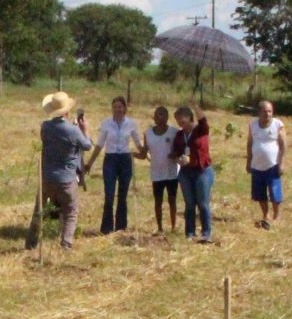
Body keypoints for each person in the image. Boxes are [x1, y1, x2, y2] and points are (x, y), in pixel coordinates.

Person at [39, 92, 92, 249]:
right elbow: (87, 145)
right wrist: (84, 130)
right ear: (67, 112)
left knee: (40, 210)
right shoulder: (72, 131)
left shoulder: (45, 127)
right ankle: (66, 244)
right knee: (71, 212)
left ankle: (32, 241)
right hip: (67, 178)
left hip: (47, 176)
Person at [83, 96, 139, 235]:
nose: (117, 109)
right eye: (115, 107)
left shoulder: (131, 124)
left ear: (125, 108)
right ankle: (107, 228)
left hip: (125, 160)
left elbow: (138, 143)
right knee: (109, 194)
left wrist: (147, 154)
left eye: (120, 107)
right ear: (112, 108)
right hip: (110, 160)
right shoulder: (106, 124)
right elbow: (100, 144)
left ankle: (121, 227)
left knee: (122, 195)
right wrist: (90, 162)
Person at [171, 105, 215, 242]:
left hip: (202, 171)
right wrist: (178, 159)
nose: (180, 125)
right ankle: (190, 232)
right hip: (185, 172)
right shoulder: (179, 135)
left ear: (190, 118)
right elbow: (176, 152)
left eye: (182, 121)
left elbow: (202, 119)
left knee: (202, 203)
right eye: (178, 122)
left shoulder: (201, 130)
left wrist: (195, 106)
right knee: (189, 203)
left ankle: (206, 233)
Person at [138, 104, 181, 232]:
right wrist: (132, 154)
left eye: (163, 114)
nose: (160, 117)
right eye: (158, 114)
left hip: (172, 172)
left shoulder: (174, 132)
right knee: (158, 201)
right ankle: (160, 228)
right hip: (156, 173)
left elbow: (179, 149)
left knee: (172, 200)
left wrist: (175, 154)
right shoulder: (148, 133)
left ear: (168, 117)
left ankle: (173, 227)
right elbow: (144, 153)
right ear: (154, 118)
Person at [246, 99, 287, 230]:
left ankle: (277, 216)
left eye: (270, 111)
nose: (268, 114)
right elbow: (249, 143)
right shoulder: (252, 124)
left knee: (275, 193)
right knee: (259, 194)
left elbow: (283, 146)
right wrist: (248, 161)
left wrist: (281, 163)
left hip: (273, 165)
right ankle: (266, 215)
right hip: (257, 165)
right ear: (259, 112)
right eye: (265, 111)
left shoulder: (278, 125)